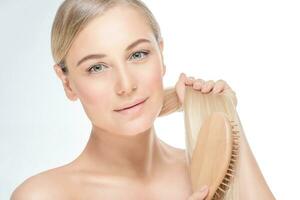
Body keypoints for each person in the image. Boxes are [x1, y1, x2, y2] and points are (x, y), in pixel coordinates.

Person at [11, 0, 274, 199]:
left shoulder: (208, 170)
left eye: (137, 55)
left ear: (161, 54)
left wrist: (226, 117)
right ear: (67, 82)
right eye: (97, 68)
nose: (126, 85)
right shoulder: (44, 195)